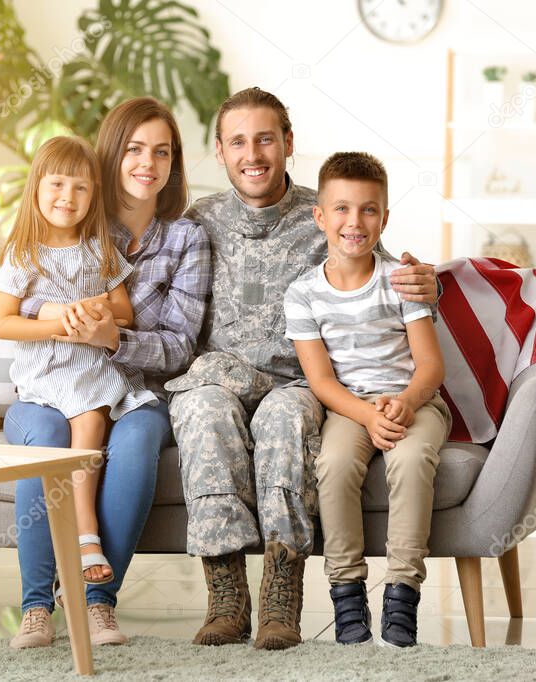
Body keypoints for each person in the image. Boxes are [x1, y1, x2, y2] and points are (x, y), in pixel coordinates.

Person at [165, 87, 441, 651]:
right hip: (221, 376)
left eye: (265, 138)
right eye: (238, 141)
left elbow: (379, 267)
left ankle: (281, 596)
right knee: (198, 406)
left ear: (287, 143)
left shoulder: (327, 212)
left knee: (286, 418)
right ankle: (225, 597)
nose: (253, 154)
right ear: (220, 152)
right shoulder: (201, 220)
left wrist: (428, 282)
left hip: (302, 382)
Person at [0, 101, 211, 648]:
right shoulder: (71, 216)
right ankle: (36, 606)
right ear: (111, 156)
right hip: (45, 382)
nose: (147, 162)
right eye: (133, 148)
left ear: (174, 164)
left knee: (135, 438)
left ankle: (96, 602)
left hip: (127, 387)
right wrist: (55, 315)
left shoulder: (184, 238)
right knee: (51, 441)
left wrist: (112, 336)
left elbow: (179, 347)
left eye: (162, 151)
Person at [284, 152, 451, 648]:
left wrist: (404, 402)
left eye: (368, 210)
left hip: (413, 401)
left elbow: (431, 367)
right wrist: (365, 415)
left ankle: (402, 590)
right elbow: (321, 380)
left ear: (385, 217)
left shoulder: (402, 280)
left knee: (414, 456)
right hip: (349, 407)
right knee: (333, 464)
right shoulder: (304, 294)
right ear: (320, 216)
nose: (354, 222)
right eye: (340, 209)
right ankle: (346, 589)